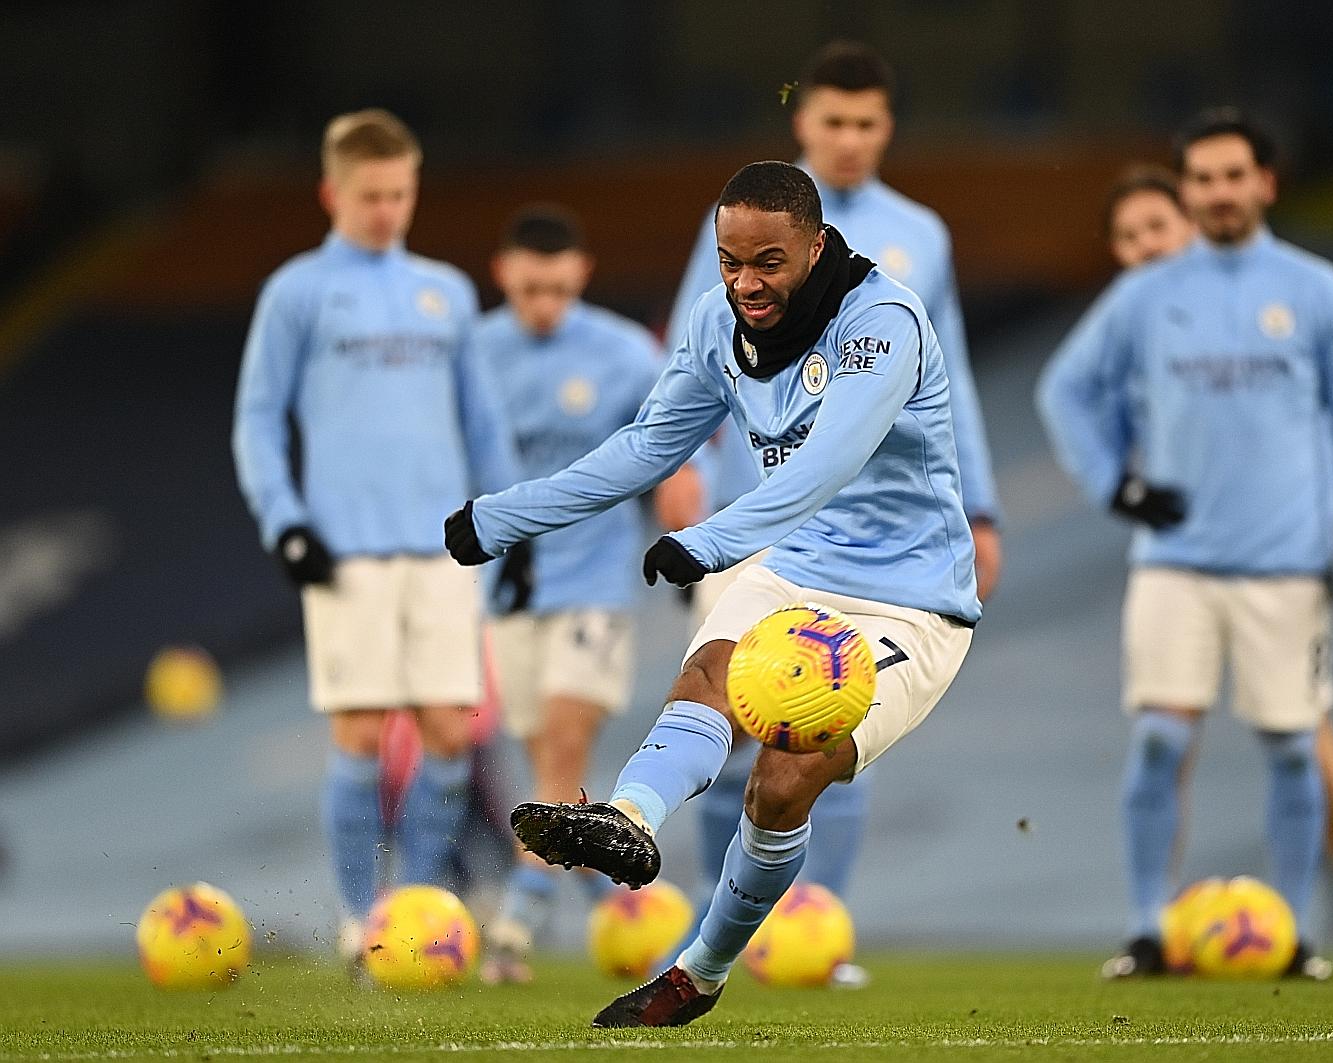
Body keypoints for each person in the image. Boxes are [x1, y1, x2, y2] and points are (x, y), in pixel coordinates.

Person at [445, 161, 979, 1026]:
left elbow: (825, 462)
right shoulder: (715, 322)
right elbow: (647, 446)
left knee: (783, 777)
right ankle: (625, 818)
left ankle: (700, 971)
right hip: (794, 568)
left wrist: (711, 541)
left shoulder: (882, 320)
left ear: (816, 246)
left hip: (909, 602)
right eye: (731, 262)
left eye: (768, 262)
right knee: (705, 678)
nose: (745, 283)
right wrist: (508, 515)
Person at [653, 42, 1003, 987]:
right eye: (833, 121)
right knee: (728, 722)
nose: (849, 138)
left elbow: (952, 377)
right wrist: (681, 461)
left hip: (880, 539)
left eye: (866, 123)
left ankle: (816, 925)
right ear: (802, 121)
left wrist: (978, 507)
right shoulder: (750, 223)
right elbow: (694, 342)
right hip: (755, 515)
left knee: (826, 728)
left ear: (886, 128)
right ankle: (716, 925)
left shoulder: (919, 235)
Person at [1035, 109, 1333, 983]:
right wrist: (1115, 484)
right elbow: (1064, 389)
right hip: (1175, 562)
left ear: (1265, 182)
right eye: (1202, 178)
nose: (1219, 192)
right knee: (1159, 737)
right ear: (1187, 189)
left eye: (1234, 176)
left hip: (1287, 565)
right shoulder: (1145, 295)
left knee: (1295, 747)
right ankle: (1147, 929)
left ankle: (1294, 934)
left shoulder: (1315, 289)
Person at [232, 109, 511, 975]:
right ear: (333, 193)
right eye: (372, 195)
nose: (388, 210)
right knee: (358, 730)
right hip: (346, 550)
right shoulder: (298, 292)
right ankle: (359, 919)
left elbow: (483, 422)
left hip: (442, 548)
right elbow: (257, 419)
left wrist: (513, 520)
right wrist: (286, 523)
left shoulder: (445, 291)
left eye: (400, 193)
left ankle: (414, 909)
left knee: (449, 734)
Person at [466, 205, 662, 984]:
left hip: (594, 585)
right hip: (509, 590)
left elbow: (674, 438)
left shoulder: (624, 354)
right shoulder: (472, 355)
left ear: (581, 273)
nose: (545, 303)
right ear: (503, 274)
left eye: (558, 287)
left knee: (561, 746)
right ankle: (622, 909)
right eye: (530, 289)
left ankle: (514, 930)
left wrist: (686, 489)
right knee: (548, 776)